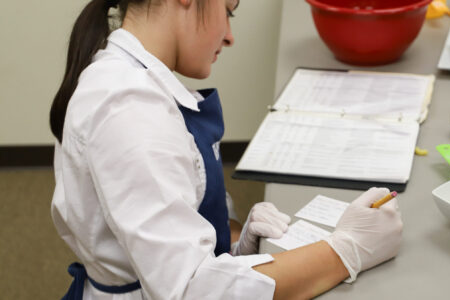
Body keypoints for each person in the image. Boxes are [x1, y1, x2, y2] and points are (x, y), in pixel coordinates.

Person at [49, 0, 404, 299]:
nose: (230, 37)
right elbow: (189, 290)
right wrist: (346, 250)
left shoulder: (134, 81)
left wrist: (234, 249)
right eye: (229, 10)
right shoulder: (127, 109)